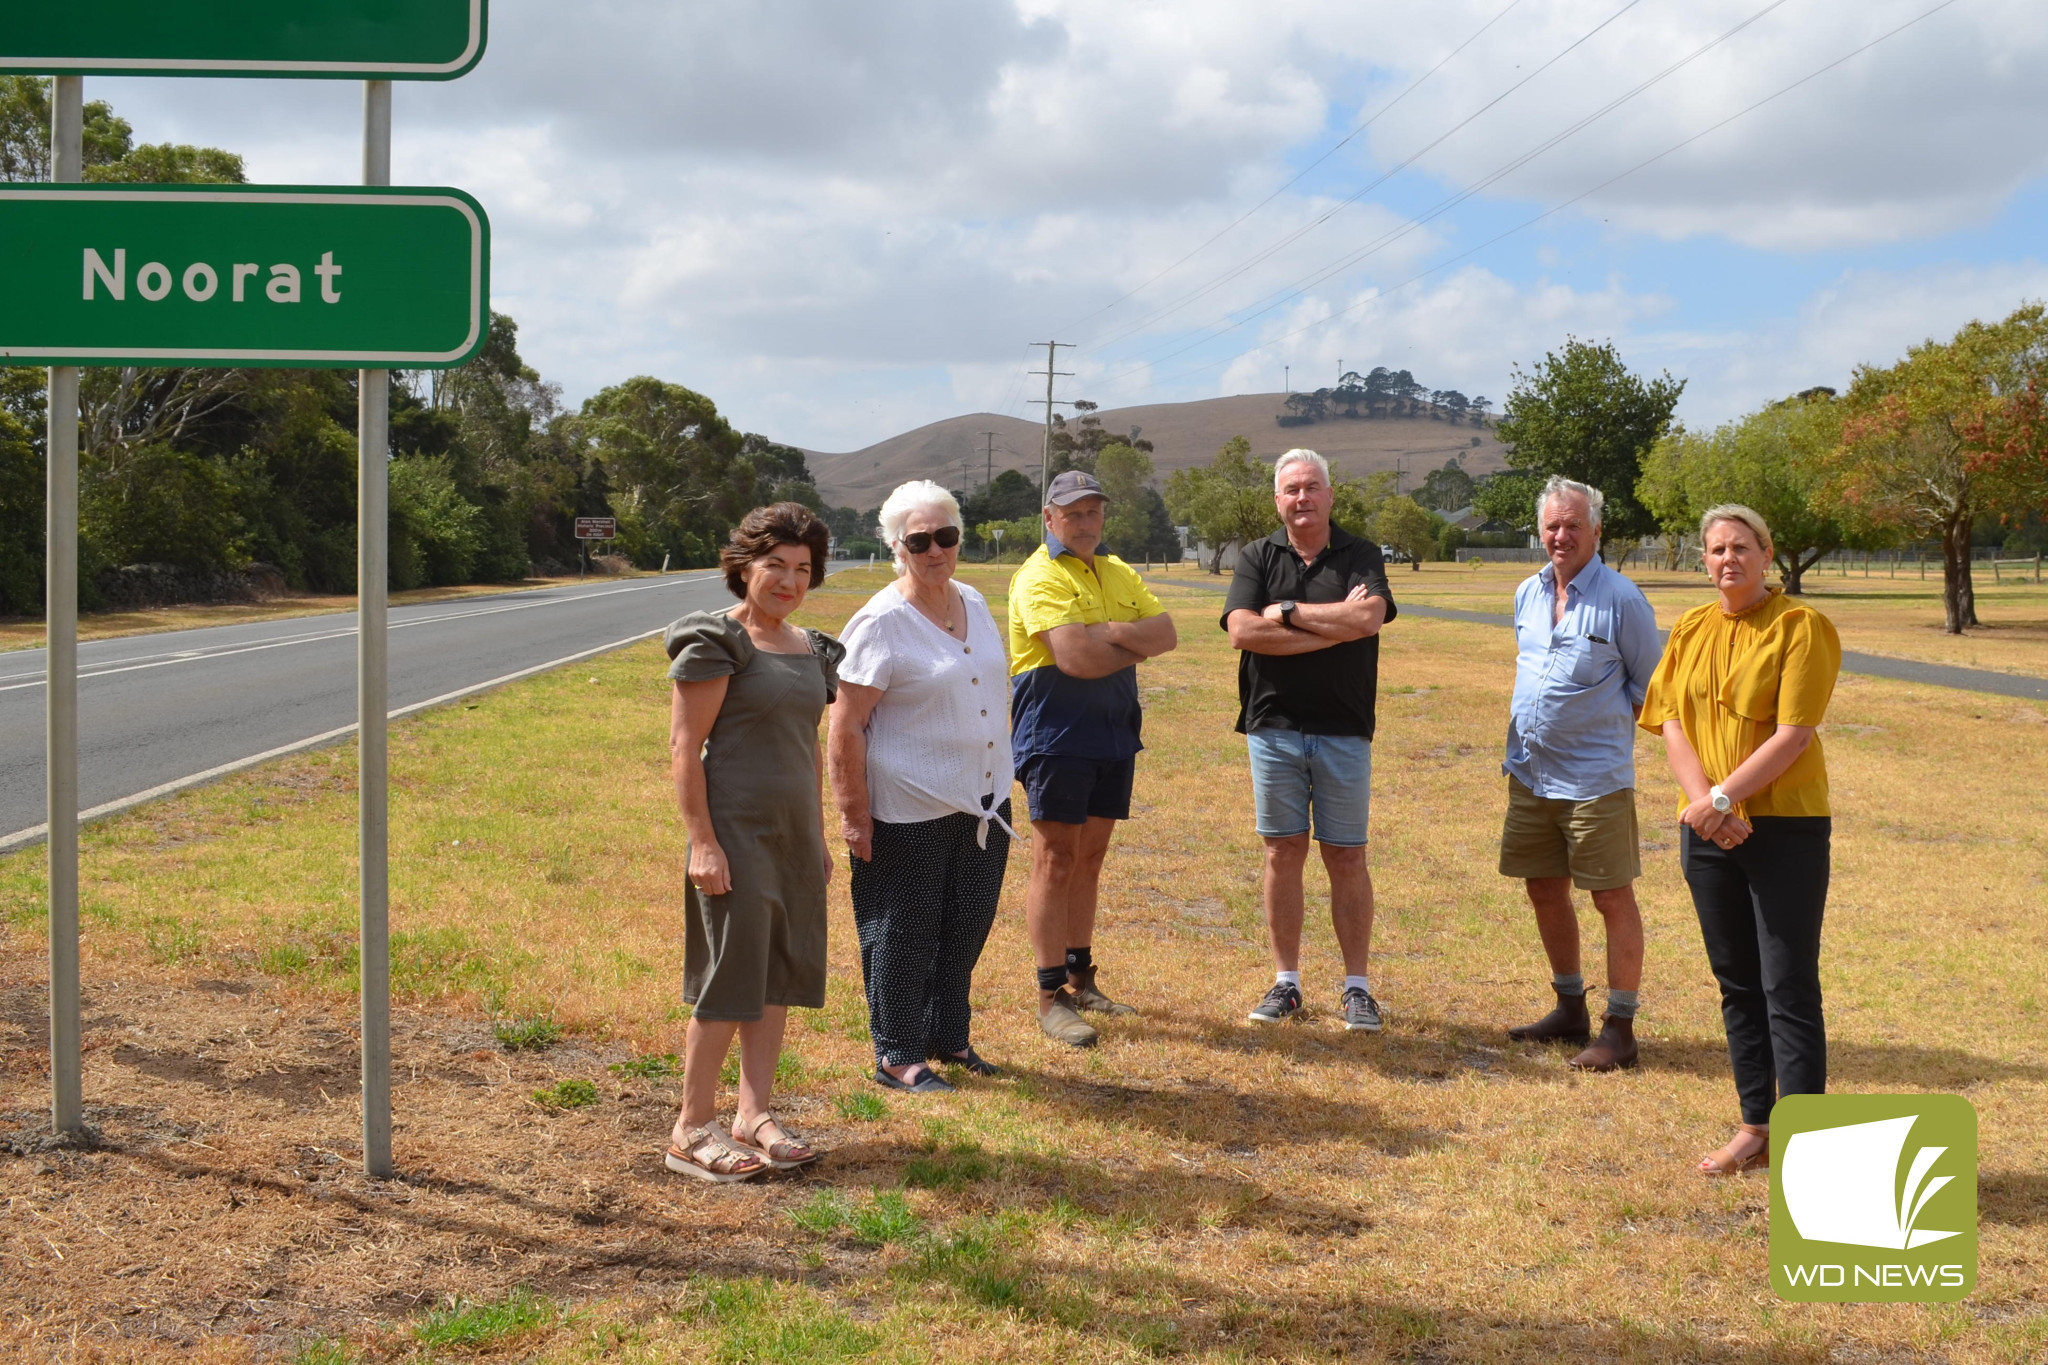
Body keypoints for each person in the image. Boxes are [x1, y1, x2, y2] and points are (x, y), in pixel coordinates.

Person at [1639, 504, 1840, 1176]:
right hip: (1706, 830)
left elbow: (1795, 734)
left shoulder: (1802, 627)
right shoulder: (1692, 626)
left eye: (1742, 546)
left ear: (1767, 552)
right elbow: (1669, 720)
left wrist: (1725, 798)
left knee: (1788, 983)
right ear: (1703, 559)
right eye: (1717, 548)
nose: (1729, 558)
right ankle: (1756, 1125)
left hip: (1783, 827)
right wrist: (1705, 806)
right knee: (1736, 981)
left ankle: (1806, 1148)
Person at [661, 502, 842, 1182]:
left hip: (792, 836)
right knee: (730, 979)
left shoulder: (809, 647)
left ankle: (752, 1114)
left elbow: (806, 750)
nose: (789, 580)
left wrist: (817, 837)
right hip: (733, 831)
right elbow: (684, 750)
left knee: (777, 978)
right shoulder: (717, 642)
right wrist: (701, 842)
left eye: (802, 568)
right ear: (744, 568)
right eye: (775, 565)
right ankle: (691, 1126)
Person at [830, 480, 1017, 1095]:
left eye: (946, 536)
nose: (935, 549)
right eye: (919, 540)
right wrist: (854, 816)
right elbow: (847, 724)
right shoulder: (880, 622)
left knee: (965, 924)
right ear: (895, 547)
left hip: (982, 803)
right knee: (903, 932)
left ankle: (948, 1034)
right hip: (907, 809)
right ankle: (898, 1052)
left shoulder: (974, 601)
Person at [1222, 450, 1396, 1032]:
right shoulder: (1256, 555)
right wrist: (1333, 629)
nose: (1303, 498)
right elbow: (1243, 631)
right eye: (1291, 489)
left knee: (1346, 856)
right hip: (1272, 728)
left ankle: (1357, 988)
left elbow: (1369, 620)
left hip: (1345, 729)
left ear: (1330, 494)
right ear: (1278, 500)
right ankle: (1287, 983)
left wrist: (1290, 614)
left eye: (1312, 487)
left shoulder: (1361, 554)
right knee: (1282, 852)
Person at [1007, 469, 1178, 1047]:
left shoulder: (1117, 568)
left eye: (1093, 512)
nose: (1085, 522)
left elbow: (1167, 633)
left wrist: (1110, 633)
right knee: (1056, 858)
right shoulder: (1038, 576)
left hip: (1112, 730)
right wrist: (1125, 639)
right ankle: (1048, 995)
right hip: (1056, 732)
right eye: (1073, 513)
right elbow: (1075, 659)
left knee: (1091, 856)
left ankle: (1083, 979)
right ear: (1049, 518)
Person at [1499, 477, 1662, 1071]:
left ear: (1597, 531)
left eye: (1573, 525)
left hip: (1596, 780)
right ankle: (1570, 1009)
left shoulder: (1623, 600)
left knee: (1611, 896)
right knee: (1543, 888)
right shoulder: (1527, 593)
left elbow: (1654, 693)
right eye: (1552, 526)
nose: (1561, 535)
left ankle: (1620, 1027)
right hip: (1531, 774)